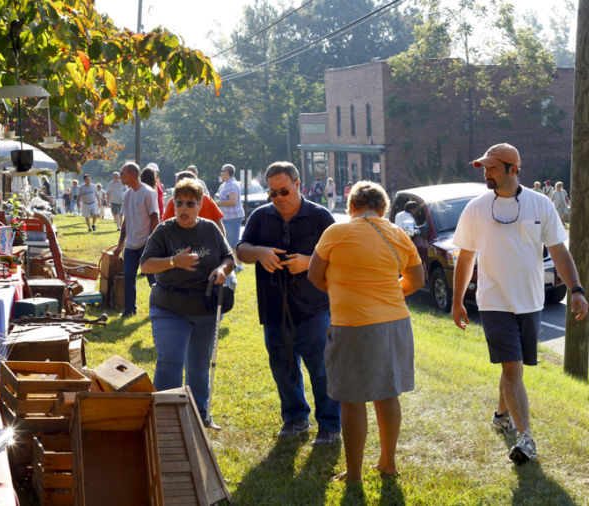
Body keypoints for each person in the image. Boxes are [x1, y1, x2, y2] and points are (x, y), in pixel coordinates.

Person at [451, 143, 588, 465]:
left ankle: (501, 414)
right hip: (493, 300)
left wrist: (577, 290)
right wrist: (458, 301)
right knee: (512, 367)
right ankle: (526, 438)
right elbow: (466, 257)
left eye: (492, 168)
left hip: (530, 301)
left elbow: (558, 250)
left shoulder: (540, 205)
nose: (486, 173)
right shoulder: (476, 208)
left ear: (513, 169)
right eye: (484, 168)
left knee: (512, 364)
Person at [308, 180, 425, 483]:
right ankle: (388, 463)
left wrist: (344, 291)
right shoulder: (398, 234)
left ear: (352, 207)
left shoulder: (336, 231)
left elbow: (314, 275)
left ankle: (355, 474)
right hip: (395, 322)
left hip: (353, 324)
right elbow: (416, 280)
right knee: (387, 394)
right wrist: (385, 293)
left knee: (352, 398)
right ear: (383, 208)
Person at [237, 161, 341, 445]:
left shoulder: (320, 217)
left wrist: (310, 262)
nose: (278, 198)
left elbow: (340, 259)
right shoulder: (260, 217)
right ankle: (295, 418)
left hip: (314, 308)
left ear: (297, 184)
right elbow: (241, 250)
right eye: (272, 193)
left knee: (321, 369)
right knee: (283, 368)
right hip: (273, 309)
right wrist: (259, 252)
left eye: (283, 191)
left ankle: (330, 425)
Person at [141, 178, 234, 425]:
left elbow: (229, 257)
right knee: (170, 361)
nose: (183, 208)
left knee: (199, 366)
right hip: (168, 306)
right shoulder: (164, 230)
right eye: (179, 202)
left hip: (204, 307)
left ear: (200, 204)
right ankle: (165, 418)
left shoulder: (210, 229)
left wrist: (222, 270)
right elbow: (146, 265)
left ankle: (199, 416)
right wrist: (173, 262)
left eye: (190, 204)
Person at [113, 163, 159, 318]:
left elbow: (155, 219)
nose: (121, 177)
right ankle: (129, 310)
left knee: (153, 278)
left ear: (133, 174)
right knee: (128, 277)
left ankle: (159, 308)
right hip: (131, 245)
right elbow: (125, 222)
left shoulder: (147, 192)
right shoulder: (127, 195)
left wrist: (153, 242)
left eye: (123, 174)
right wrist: (120, 245)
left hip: (147, 243)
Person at [163, 171, 225, 236]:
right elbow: (218, 223)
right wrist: (222, 240)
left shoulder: (173, 202)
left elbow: (165, 225)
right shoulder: (207, 199)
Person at [215, 164, 244, 270]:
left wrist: (218, 203)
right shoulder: (225, 184)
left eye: (222, 171)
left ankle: (239, 265)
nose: (221, 173)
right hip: (227, 218)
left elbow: (233, 201)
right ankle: (234, 263)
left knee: (233, 242)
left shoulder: (231, 184)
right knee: (228, 242)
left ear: (227, 172)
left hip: (233, 217)